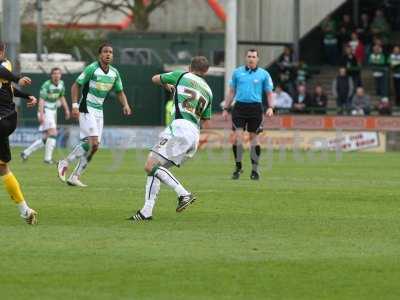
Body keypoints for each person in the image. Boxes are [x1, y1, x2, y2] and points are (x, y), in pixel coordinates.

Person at [128, 56, 213, 221]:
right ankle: (146, 211)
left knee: (150, 166)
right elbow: (205, 119)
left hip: (180, 128)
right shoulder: (208, 91)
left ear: (189, 67)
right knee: (156, 170)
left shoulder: (181, 76)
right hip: (194, 133)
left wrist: (170, 87)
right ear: (206, 72)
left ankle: (184, 194)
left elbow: (154, 79)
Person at [57, 43, 132, 187]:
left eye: (110, 52)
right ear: (100, 55)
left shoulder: (114, 73)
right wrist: (74, 106)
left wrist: (126, 105)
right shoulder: (92, 68)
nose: (108, 54)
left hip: (99, 111)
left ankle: (75, 176)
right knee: (93, 142)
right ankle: (64, 162)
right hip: (86, 107)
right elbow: (75, 85)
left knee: (94, 146)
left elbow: (119, 91)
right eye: (105, 52)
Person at [0, 42, 38, 224]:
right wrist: (27, 95)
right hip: (6, 122)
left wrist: (17, 77)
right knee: (2, 167)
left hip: (4, 119)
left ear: (2, 52)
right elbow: (9, 88)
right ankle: (25, 210)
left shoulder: (5, 64)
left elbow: (4, 74)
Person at [222, 49, 274, 180]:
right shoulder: (237, 73)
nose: (251, 59)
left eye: (254, 57)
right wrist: (225, 108)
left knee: (253, 139)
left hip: (255, 108)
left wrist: (271, 107)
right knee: (237, 138)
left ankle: (255, 170)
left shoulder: (264, 74)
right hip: (239, 107)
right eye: (249, 56)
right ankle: (238, 167)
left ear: (258, 59)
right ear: (246, 58)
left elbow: (269, 93)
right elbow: (231, 91)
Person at [21, 67, 70, 163]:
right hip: (46, 111)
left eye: (58, 73)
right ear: (51, 75)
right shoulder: (46, 85)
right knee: (53, 133)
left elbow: (62, 97)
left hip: (53, 111)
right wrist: (41, 114)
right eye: (54, 73)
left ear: (61, 75)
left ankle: (26, 152)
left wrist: (67, 109)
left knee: (47, 137)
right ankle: (47, 159)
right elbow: (41, 100)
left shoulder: (61, 84)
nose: (56, 75)